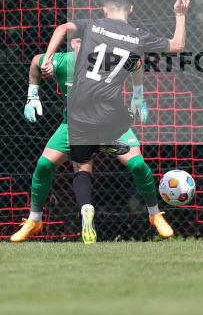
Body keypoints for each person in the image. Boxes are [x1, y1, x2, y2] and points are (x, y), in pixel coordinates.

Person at [40, 0, 189, 243]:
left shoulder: (92, 25)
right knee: (137, 162)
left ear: (104, 9)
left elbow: (63, 29)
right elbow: (177, 45)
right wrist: (180, 14)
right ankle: (154, 213)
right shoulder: (136, 35)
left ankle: (86, 207)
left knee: (82, 168)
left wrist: (48, 58)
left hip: (79, 112)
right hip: (110, 116)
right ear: (130, 8)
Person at [10, 37, 172, 242]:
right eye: (78, 40)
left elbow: (136, 62)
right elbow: (35, 62)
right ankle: (35, 220)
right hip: (74, 126)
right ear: (72, 44)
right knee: (43, 165)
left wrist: (138, 96)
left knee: (138, 165)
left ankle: (154, 214)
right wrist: (32, 96)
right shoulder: (60, 62)